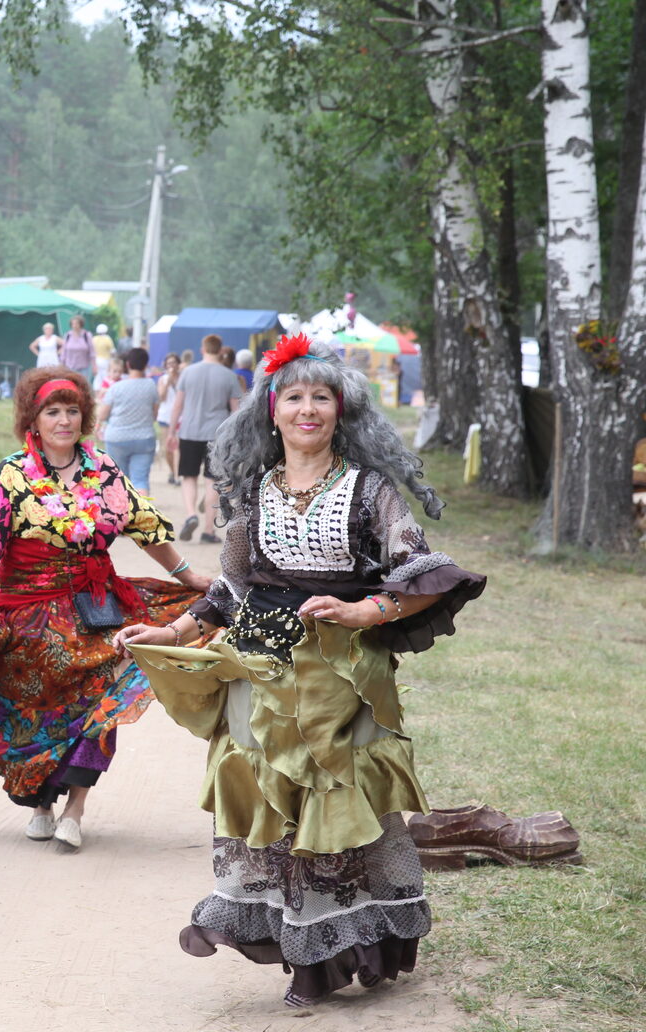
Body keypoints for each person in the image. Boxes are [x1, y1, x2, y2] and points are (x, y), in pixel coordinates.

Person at [115, 335, 486, 1009]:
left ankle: (328, 954)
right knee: (267, 805)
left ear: (340, 411)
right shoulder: (252, 493)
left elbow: (425, 576)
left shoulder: (371, 491)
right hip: (256, 671)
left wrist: (363, 609)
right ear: (271, 411)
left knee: (334, 808)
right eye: (294, 397)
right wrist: (169, 632)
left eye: (321, 396)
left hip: (340, 680)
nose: (308, 408)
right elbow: (227, 592)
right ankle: (294, 939)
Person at [0, 367, 209, 850]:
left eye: (73, 410)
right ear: (33, 418)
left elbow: (146, 526)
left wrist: (188, 578)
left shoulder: (105, 472)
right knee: (38, 708)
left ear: (85, 416)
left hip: (95, 610)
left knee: (101, 700)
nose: (64, 420)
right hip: (29, 609)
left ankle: (76, 806)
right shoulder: (12, 474)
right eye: (53, 411)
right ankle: (42, 803)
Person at [172, 333, 240, 543]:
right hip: (217, 435)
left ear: (202, 349)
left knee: (189, 476)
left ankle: (191, 514)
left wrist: (173, 431)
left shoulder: (188, 372)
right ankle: (208, 530)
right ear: (220, 351)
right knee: (213, 480)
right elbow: (236, 411)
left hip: (190, 431)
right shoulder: (229, 376)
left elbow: (178, 405)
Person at [97, 348, 160, 495]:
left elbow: (102, 414)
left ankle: (122, 514)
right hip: (144, 438)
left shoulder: (116, 388)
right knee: (140, 480)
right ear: (145, 365)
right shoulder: (151, 386)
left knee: (118, 478)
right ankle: (142, 514)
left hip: (117, 438)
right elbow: (155, 415)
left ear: (128, 365)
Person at [157, 352, 183, 486]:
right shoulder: (163, 379)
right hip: (165, 416)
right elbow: (161, 397)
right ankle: (173, 472)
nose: (171, 366)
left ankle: (178, 475)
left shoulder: (183, 378)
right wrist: (168, 383)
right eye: (169, 364)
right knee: (168, 448)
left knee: (178, 447)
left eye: (174, 363)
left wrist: (175, 381)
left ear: (178, 364)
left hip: (181, 417)